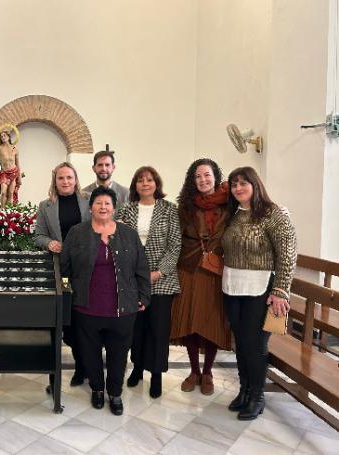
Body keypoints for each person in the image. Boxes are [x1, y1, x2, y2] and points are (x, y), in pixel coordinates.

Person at [61, 186, 151, 415]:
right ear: (90, 207)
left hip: (122, 308)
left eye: (107, 203)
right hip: (86, 306)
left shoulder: (128, 234)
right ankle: (97, 390)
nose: (103, 207)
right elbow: (64, 267)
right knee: (89, 352)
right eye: (98, 203)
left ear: (114, 207)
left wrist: (144, 296)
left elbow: (142, 267)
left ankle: (115, 393)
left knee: (118, 354)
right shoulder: (76, 233)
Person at [221, 167, 296, 420]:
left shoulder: (274, 213)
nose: (238, 188)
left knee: (255, 345)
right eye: (234, 184)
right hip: (232, 286)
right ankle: (244, 391)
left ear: (255, 184)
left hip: (261, 289)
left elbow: (287, 254)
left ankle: (257, 396)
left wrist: (281, 291)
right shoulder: (233, 215)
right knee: (240, 343)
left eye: (244, 183)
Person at [170, 158, 232, 395]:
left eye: (207, 175)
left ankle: (208, 372)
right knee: (190, 322)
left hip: (215, 270)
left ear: (216, 176)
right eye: (198, 176)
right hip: (189, 267)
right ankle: (194, 370)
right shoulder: (185, 206)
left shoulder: (229, 205)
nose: (203, 180)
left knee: (212, 322)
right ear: (191, 180)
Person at [117, 166, 181, 398]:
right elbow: (116, 240)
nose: (145, 184)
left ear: (157, 184)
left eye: (150, 180)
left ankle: (156, 375)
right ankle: (137, 369)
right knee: (137, 329)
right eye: (140, 180)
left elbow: (175, 246)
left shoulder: (169, 210)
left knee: (158, 329)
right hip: (133, 280)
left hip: (162, 280)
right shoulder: (125, 209)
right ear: (135, 185)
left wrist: (159, 272)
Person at [34, 162, 90, 389]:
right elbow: (38, 236)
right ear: (54, 181)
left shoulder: (88, 202)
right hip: (59, 269)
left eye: (69, 177)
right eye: (61, 178)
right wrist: (49, 242)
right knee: (60, 322)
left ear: (76, 179)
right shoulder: (46, 205)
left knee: (82, 321)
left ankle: (82, 367)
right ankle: (53, 375)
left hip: (86, 270)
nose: (65, 182)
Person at [0, 126, 22, 206]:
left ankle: (9, 213)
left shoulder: (14, 149)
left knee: (11, 193)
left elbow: (18, 164)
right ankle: (2, 210)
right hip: (4, 173)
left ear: (9, 137)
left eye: (4, 136)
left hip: (14, 172)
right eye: (1, 136)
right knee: (3, 192)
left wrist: (19, 177)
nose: (3, 138)